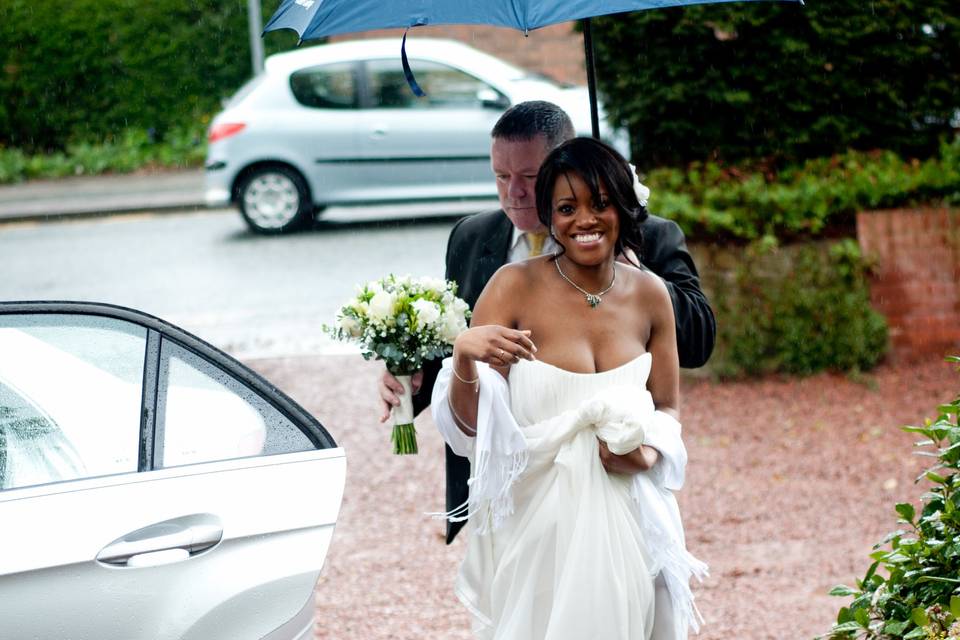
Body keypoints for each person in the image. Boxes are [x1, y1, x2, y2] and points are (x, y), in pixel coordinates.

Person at [378, 101, 715, 544]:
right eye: (501, 176)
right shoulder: (471, 237)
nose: (514, 191)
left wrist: (628, 264)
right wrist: (413, 375)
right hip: (512, 485)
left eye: (530, 177)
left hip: (610, 483)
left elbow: (699, 342)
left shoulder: (646, 235)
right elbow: (464, 345)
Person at [431, 137, 705, 639]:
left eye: (600, 203)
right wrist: (464, 357)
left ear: (623, 208)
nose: (584, 220)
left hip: (634, 516)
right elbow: (470, 431)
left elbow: (667, 407)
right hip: (540, 531)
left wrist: (646, 454)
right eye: (566, 207)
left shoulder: (651, 295)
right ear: (549, 216)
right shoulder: (511, 287)